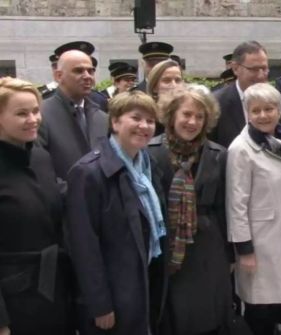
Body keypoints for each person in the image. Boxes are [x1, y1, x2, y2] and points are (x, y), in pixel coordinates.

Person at [66, 91, 168, 335]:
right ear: (115, 122)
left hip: (145, 282)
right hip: (114, 295)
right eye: (136, 118)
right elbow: (83, 246)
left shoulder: (148, 165)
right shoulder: (89, 173)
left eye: (150, 120)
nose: (144, 126)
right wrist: (99, 304)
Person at [146, 87, 235, 334]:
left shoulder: (219, 155)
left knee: (210, 317)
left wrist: (230, 254)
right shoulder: (149, 153)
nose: (192, 122)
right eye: (186, 114)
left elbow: (225, 207)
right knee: (173, 316)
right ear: (171, 115)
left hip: (208, 248)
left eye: (199, 116)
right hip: (168, 248)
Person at [226, 83, 281, 335]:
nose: (263, 115)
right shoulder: (241, 149)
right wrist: (245, 250)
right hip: (259, 245)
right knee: (259, 310)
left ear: (279, 111)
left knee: (277, 306)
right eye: (256, 110)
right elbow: (236, 204)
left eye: (269, 109)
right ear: (247, 113)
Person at [0, 77, 75, 335]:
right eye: (22, 113)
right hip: (15, 302)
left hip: (56, 292)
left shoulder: (41, 157)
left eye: (35, 111)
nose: (33, 119)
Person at [38, 49, 109, 181]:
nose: (87, 76)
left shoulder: (102, 118)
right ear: (59, 76)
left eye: (91, 70)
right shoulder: (40, 115)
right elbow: (41, 172)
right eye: (78, 71)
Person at [211, 41, 269, 148]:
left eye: (264, 69)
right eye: (254, 69)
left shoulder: (275, 101)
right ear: (235, 68)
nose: (261, 76)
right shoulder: (216, 104)